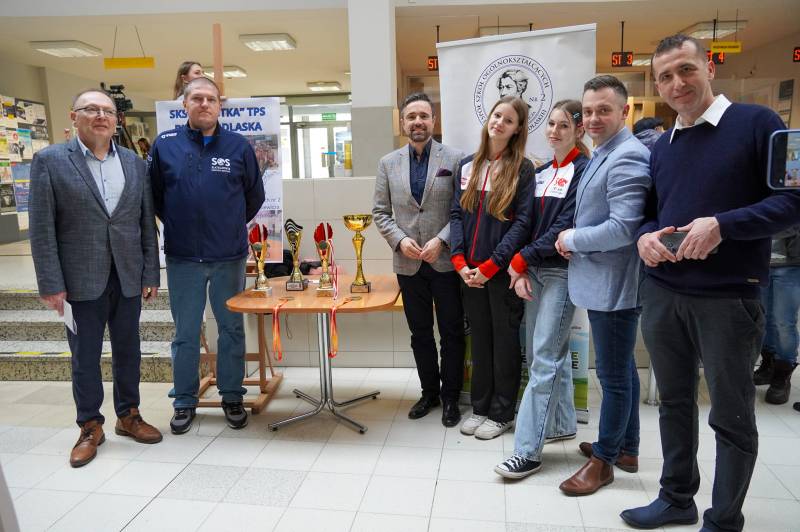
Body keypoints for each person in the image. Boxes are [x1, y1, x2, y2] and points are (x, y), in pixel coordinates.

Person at [623, 34, 800, 531]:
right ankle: (676, 498)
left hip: (728, 297)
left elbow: (792, 202)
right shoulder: (663, 147)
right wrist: (644, 238)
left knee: (731, 413)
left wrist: (723, 224)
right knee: (674, 403)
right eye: (664, 77)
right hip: (664, 292)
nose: (676, 83)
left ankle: (723, 519)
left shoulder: (758, 123)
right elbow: (651, 212)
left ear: (710, 68)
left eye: (686, 69)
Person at [29, 88, 162, 468]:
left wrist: (150, 272)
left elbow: (145, 223)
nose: (101, 116)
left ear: (117, 120)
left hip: (128, 275)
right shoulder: (50, 161)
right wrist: (50, 283)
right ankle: (90, 425)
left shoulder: (134, 163)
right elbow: (42, 228)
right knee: (85, 356)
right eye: (91, 109)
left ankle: (129, 415)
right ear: (74, 117)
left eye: (107, 110)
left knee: (129, 350)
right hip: (79, 279)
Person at [148, 77, 265, 434]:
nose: (204, 104)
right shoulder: (165, 145)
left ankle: (232, 396)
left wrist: (226, 225)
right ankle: (184, 400)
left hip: (229, 256)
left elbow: (254, 197)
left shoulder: (238, 146)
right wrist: (181, 224)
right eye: (196, 98)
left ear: (219, 105)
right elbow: (154, 197)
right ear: (184, 104)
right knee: (185, 332)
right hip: (183, 257)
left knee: (231, 329)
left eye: (210, 99)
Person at [555, 75, 651, 496]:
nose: (593, 118)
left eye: (603, 110)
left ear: (624, 112)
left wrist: (572, 239)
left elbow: (623, 228)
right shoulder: (604, 151)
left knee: (612, 377)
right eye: (588, 111)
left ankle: (605, 462)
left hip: (615, 285)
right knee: (622, 368)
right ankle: (627, 448)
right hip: (603, 280)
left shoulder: (628, 156)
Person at [494, 100, 589, 478]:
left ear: (579, 130)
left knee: (544, 359)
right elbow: (526, 223)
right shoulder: (541, 171)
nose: (554, 131)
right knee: (545, 355)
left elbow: (565, 225)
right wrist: (521, 268)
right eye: (550, 124)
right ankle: (562, 424)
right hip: (533, 272)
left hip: (562, 274)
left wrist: (521, 259)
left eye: (563, 125)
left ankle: (527, 451)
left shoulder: (584, 171)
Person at [372, 92, 466, 427]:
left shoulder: (455, 159)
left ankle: (451, 397)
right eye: (411, 117)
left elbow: (462, 209)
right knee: (420, 333)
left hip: (445, 262)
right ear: (402, 123)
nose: (418, 122)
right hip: (409, 264)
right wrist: (400, 240)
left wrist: (442, 240)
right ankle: (429, 393)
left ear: (433, 121)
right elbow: (380, 213)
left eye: (424, 116)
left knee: (452, 332)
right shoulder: (388, 163)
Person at [450, 96, 535, 440]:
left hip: (499, 274)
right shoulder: (467, 166)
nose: (499, 123)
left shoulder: (523, 169)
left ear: (517, 129)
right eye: (496, 115)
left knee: (504, 343)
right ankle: (481, 407)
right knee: (481, 342)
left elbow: (523, 223)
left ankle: (502, 413)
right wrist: (459, 262)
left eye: (508, 120)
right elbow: (456, 215)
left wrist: (492, 265)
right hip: (469, 274)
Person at [753, 226, 800, 404]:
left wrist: (760, 228)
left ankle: (782, 375)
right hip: (762, 262)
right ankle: (768, 365)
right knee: (763, 319)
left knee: (783, 322)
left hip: (791, 265)